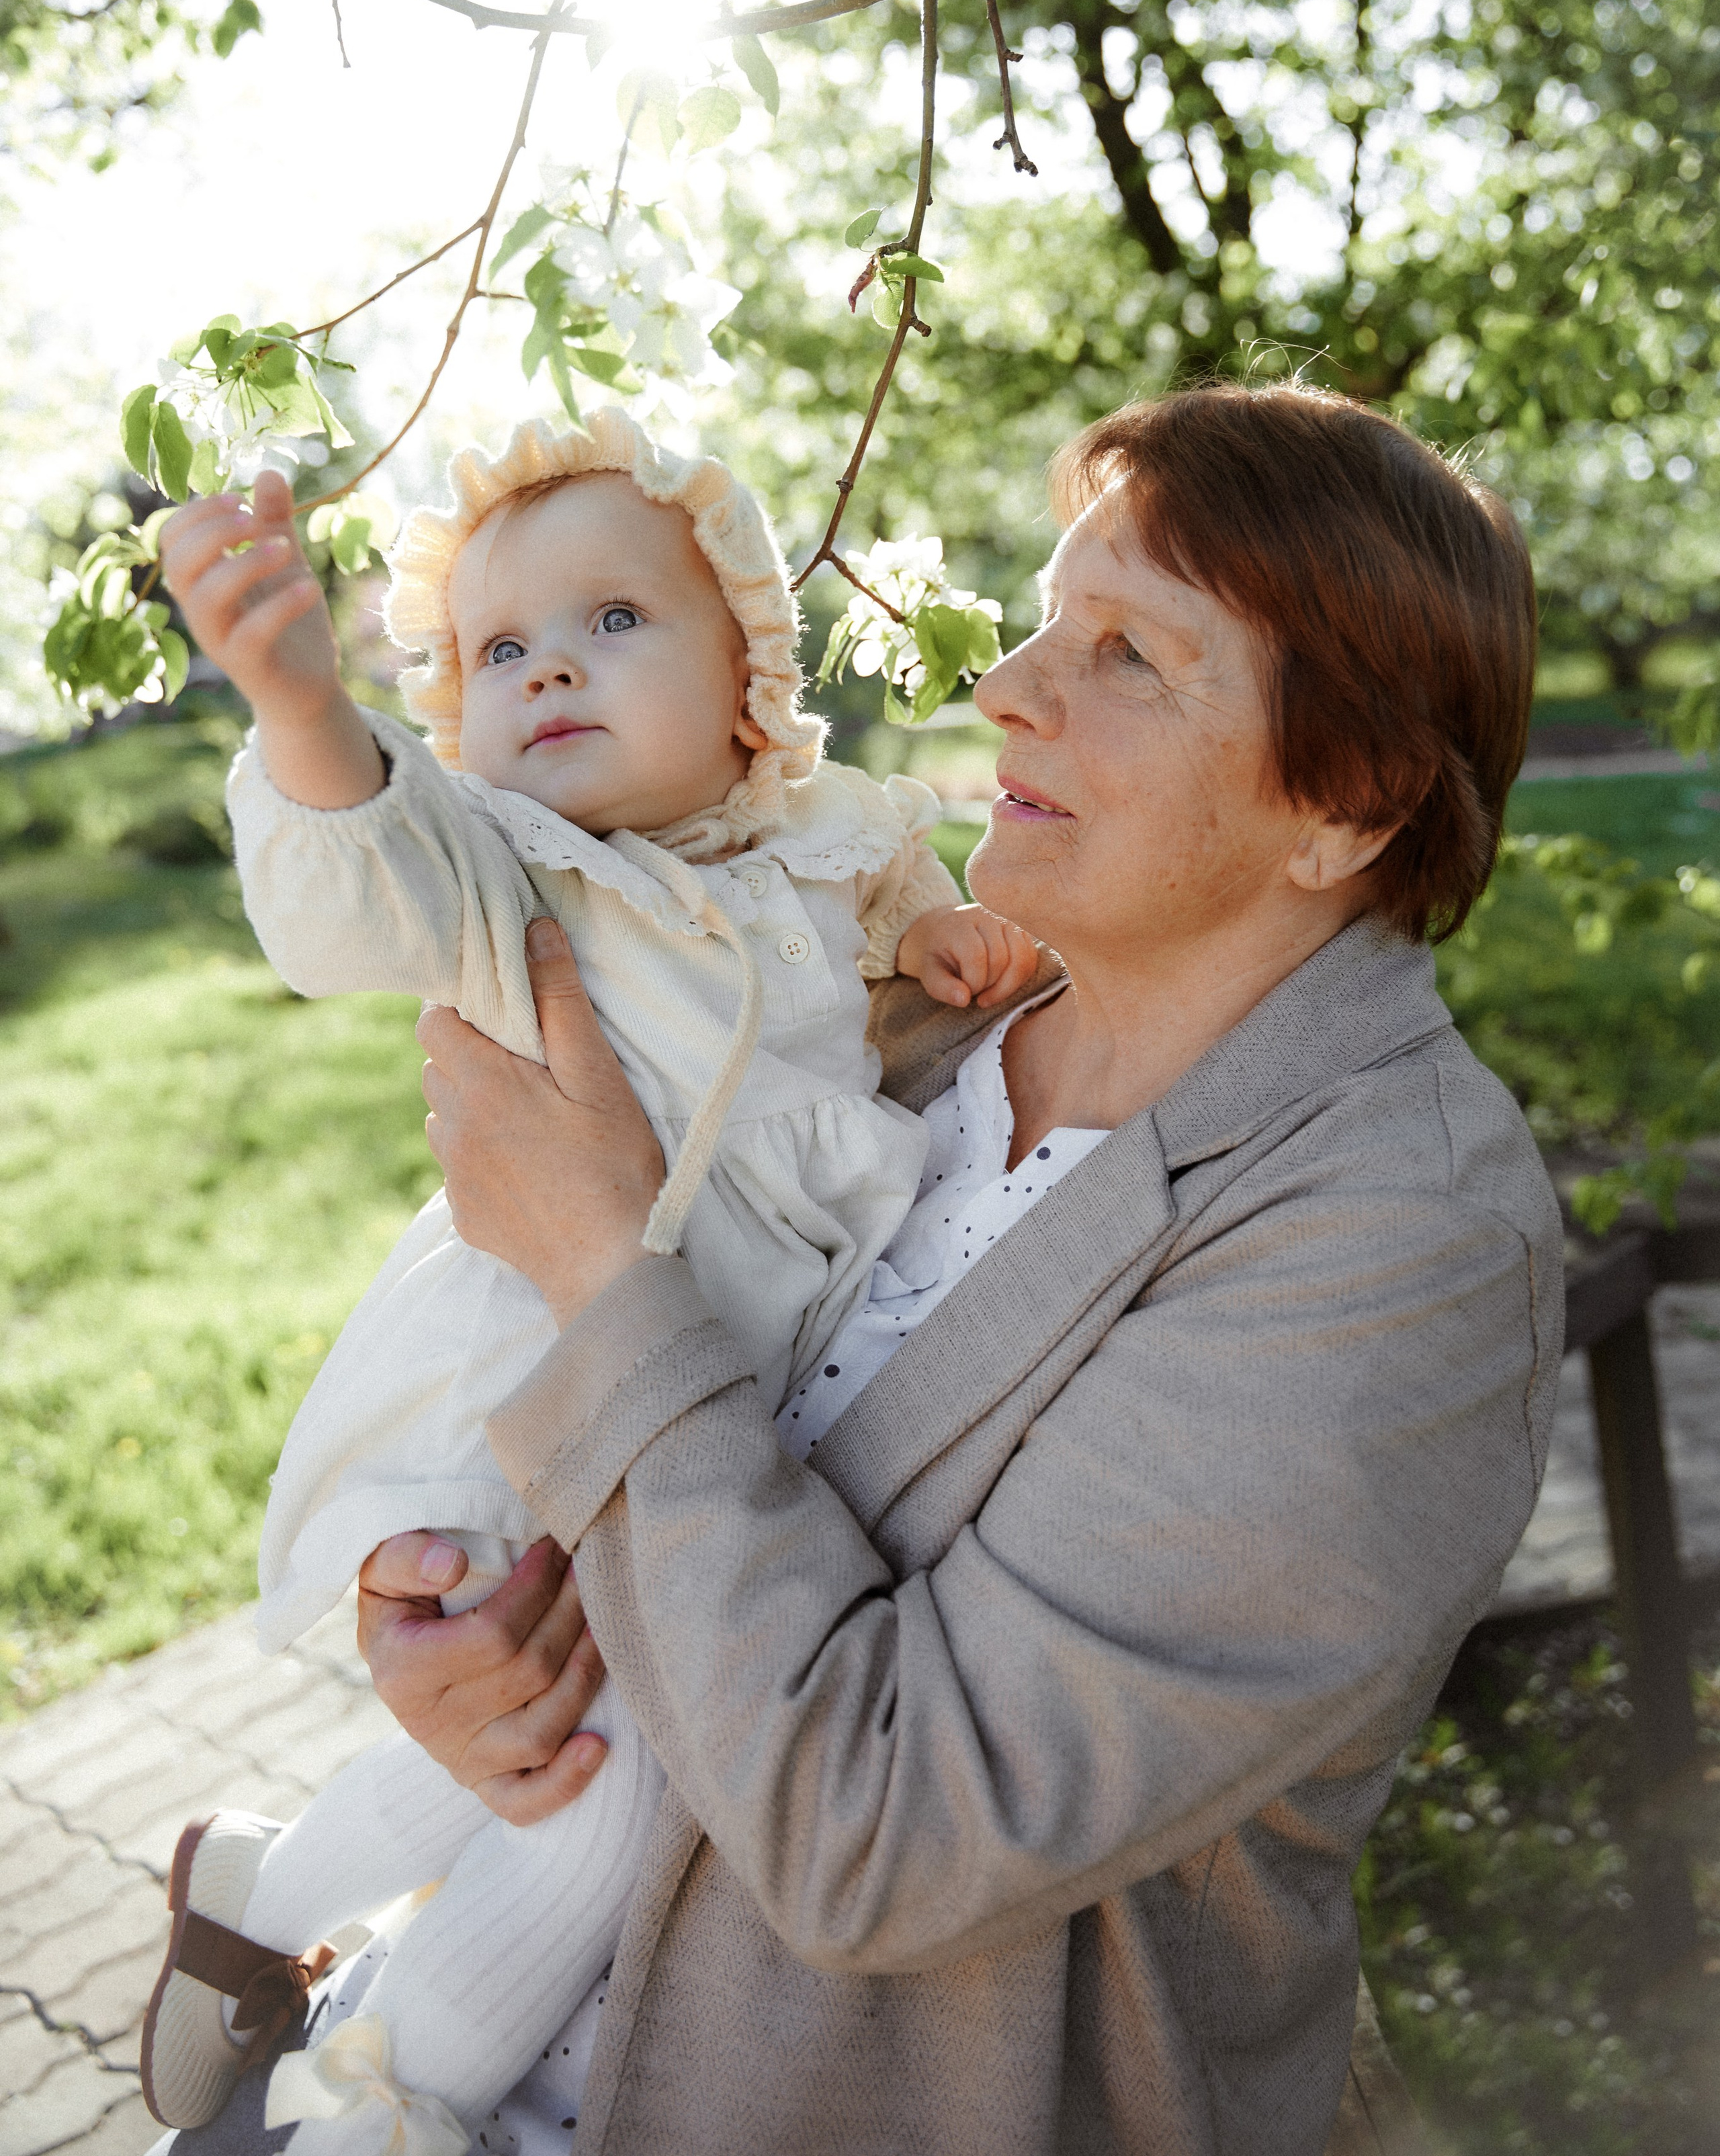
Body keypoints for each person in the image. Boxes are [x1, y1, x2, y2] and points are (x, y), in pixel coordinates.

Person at [163, 382, 1563, 2156]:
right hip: (440, 1997)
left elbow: (885, 1836)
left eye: (1128, 654)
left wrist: (597, 1265)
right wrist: (471, 1636)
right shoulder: (903, 1026)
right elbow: (655, 1488)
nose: (1009, 686)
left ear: (1347, 801)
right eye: (1046, 618)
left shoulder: (1404, 1241)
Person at [138, 411, 1039, 2154]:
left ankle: (261, 1896)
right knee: (592, 1783)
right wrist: (306, 712)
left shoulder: (829, 839)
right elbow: (357, 885)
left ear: (750, 682)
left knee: (559, 1745)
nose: (550, 666)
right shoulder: (515, 875)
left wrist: (933, 938)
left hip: (707, 1414)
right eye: (499, 649)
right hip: (522, 1394)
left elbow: (892, 917)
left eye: (614, 620)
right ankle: (388, 2103)